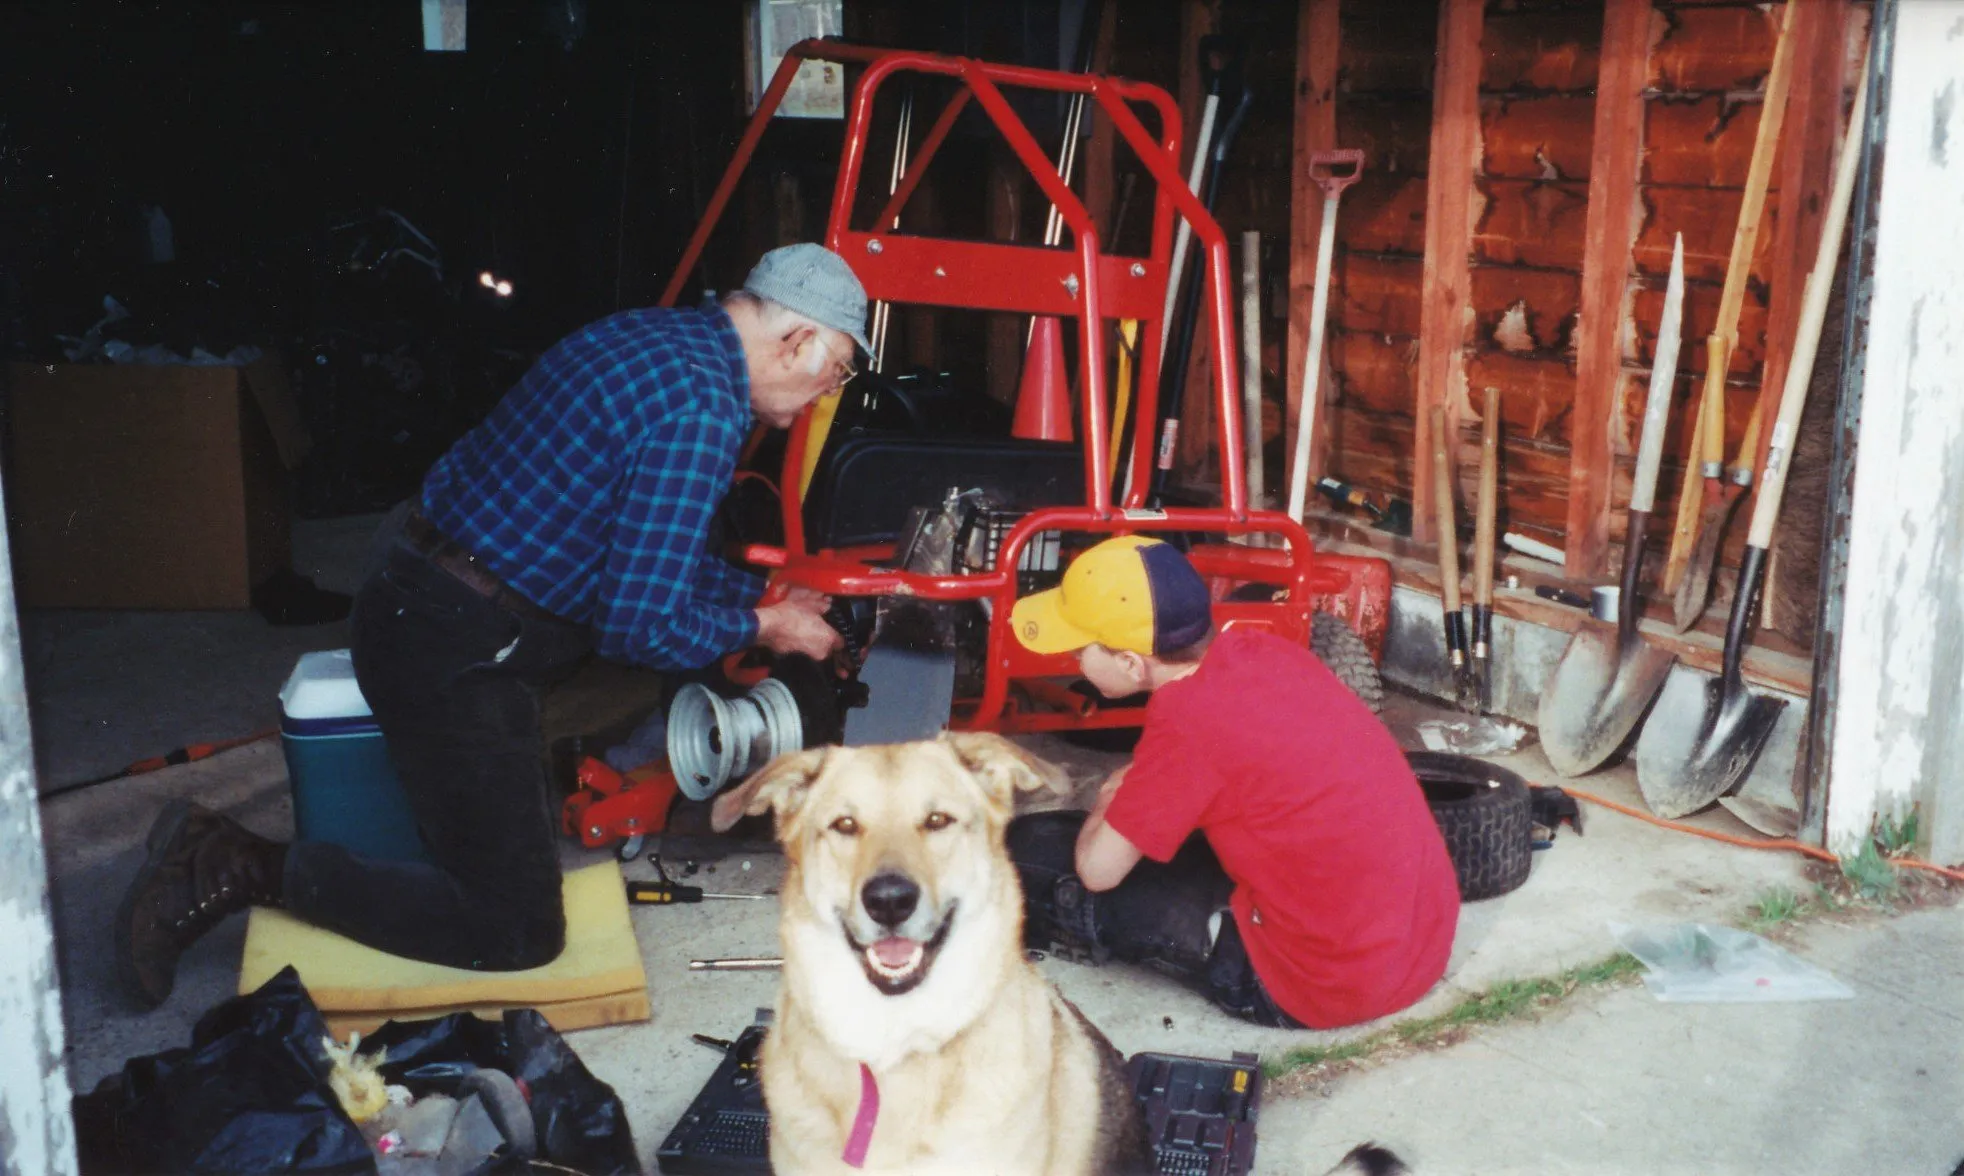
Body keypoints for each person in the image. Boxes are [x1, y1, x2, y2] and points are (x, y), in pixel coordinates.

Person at [116, 244, 863, 1007]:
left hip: (425, 585)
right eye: (833, 371)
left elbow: (646, 552)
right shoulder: (703, 412)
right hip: (452, 642)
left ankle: (499, 799)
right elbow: (642, 626)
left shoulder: (651, 339)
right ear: (797, 341)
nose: (823, 394)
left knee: (598, 716)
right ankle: (226, 861)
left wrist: (763, 597)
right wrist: (765, 625)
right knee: (514, 928)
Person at [1005, 536, 1459, 1029]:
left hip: (1318, 986)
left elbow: (1098, 871)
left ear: (1131, 664)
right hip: (1417, 950)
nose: (1072, 661)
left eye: (1078, 650)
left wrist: (1111, 797)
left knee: (1033, 854)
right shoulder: (1261, 650)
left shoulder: (1189, 722)